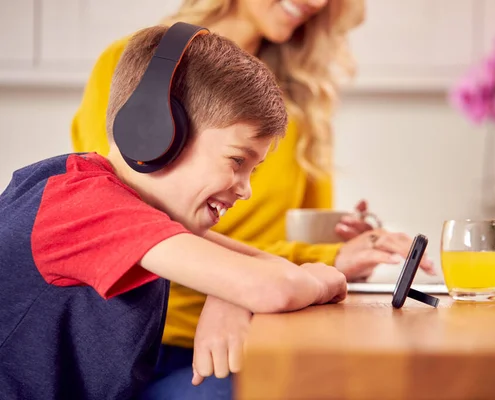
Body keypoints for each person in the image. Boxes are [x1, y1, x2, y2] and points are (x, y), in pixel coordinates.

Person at [70, 0, 436, 398]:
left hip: (257, 328)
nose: (316, 2)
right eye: (236, 161)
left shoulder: (300, 103)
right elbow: (126, 215)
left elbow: (301, 243)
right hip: (141, 341)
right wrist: (239, 284)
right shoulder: (147, 76)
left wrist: (344, 247)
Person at [0, 25, 349, 400]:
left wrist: (229, 293)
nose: (246, 190)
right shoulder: (82, 207)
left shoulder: (130, 207)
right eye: (236, 161)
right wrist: (258, 286)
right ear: (155, 134)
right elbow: (274, 286)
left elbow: (264, 272)